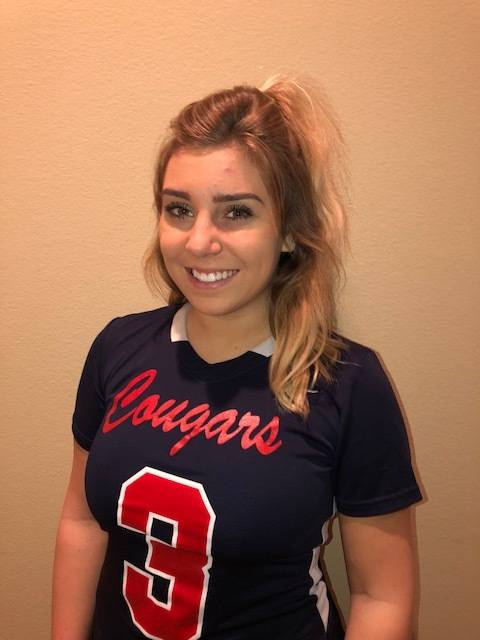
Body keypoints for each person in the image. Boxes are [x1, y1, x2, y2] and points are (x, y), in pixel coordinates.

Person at [52, 77, 422, 640]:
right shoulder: (117, 347)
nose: (199, 241)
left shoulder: (348, 384)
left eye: (236, 212)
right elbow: (82, 520)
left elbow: (382, 595)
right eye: (179, 209)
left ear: (289, 231)